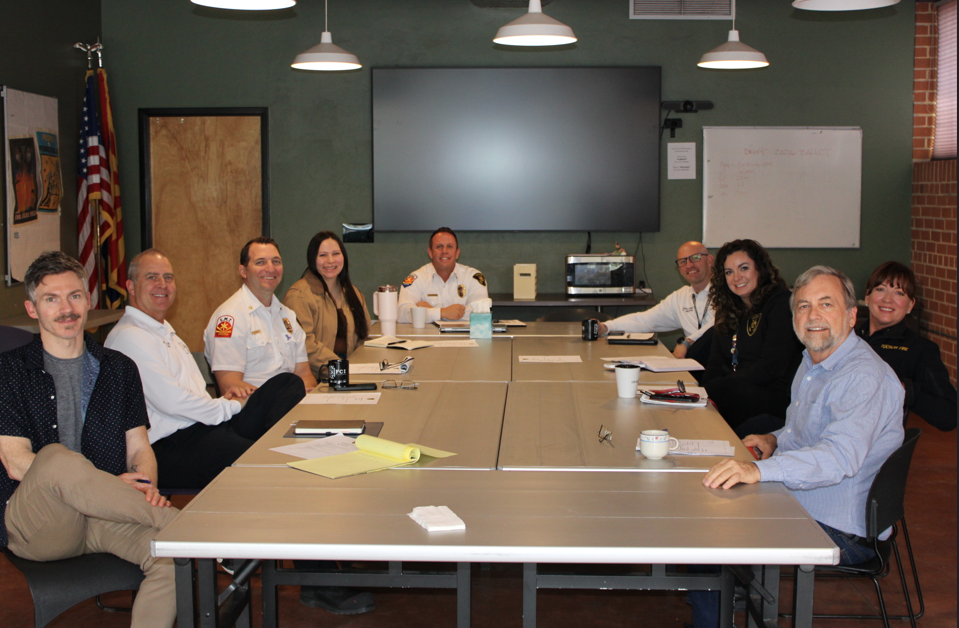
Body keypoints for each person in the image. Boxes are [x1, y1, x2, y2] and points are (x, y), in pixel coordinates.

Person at [691, 266, 906, 628]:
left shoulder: (863, 375)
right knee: (709, 501)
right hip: (809, 501)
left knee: (709, 527)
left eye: (826, 304)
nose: (813, 315)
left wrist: (758, 470)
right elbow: (801, 432)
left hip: (842, 529)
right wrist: (774, 439)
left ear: (851, 316)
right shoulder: (813, 362)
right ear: (793, 319)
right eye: (804, 306)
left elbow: (838, 457)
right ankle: (721, 599)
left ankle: (717, 607)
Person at [0, 251, 179, 628]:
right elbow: (16, 463)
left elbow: (139, 448)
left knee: (171, 557)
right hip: (41, 524)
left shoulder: (119, 368)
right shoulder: (9, 371)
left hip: (106, 517)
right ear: (32, 309)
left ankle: (179, 533)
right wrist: (110, 486)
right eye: (51, 299)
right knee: (54, 458)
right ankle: (183, 524)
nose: (66, 309)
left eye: (75, 296)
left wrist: (145, 486)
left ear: (88, 300)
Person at [105, 249, 306, 489]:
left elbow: (195, 394)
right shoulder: (131, 336)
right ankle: (275, 465)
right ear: (131, 286)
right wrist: (232, 406)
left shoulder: (164, 330)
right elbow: (174, 404)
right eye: (152, 277)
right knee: (260, 461)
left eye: (168, 277)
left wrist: (226, 404)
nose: (162, 284)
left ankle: (276, 452)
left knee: (286, 384)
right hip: (169, 444)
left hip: (203, 425)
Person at [701, 239, 803, 431]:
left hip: (773, 398)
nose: (736, 277)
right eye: (729, 272)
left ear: (760, 269)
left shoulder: (781, 304)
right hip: (734, 391)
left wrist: (720, 387)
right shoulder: (728, 308)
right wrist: (704, 393)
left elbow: (771, 367)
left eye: (744, 268)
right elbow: (715, 363)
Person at [203, 237, 317, 394]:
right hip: (254, 406)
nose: (270, 268)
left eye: (276, 261)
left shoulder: (288, 316)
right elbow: (229, 386)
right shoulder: (230, 317)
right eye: (260, 262)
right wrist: (280, 398)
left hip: (290, 403)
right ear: (243, 271)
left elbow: (305, 375)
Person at [856, 261, 957, 431]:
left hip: (878, 441)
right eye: (880, 289)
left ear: (910, 305)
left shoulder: (920, 350)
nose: (887, 299)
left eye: (899, 293)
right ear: (867, 297)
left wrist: (904, 390)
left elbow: (949, 415)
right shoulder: (847, 340)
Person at [600, 241, 715, 365]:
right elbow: (644, 320)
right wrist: (606, 327)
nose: (689, 265)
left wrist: (687, 342)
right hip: (693, 364)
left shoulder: (726, 292)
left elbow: (717, 324)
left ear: (709, 260)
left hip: (720, 365)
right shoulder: (680, 297)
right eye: (683, 261)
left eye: (695, 258)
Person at [283, 231, 372, 377]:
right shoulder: (299, 296)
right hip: (315, 378)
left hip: (348, 373)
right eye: (323, 255)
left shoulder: (353, 293)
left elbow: (365, 337)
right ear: (312, 259)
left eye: (336, 254)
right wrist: (342, 369)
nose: (330, 261)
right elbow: (304, 344)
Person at [397, 227, 489, 323]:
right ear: (430, 253)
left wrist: (431, 311)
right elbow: (402, 314)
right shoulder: (417, 278)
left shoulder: (473, 277)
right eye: (439, 247)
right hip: (428, 333)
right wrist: (442, 312)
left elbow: (481, 313)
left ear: (457, 253)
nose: (444, 251)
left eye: (450, 246)